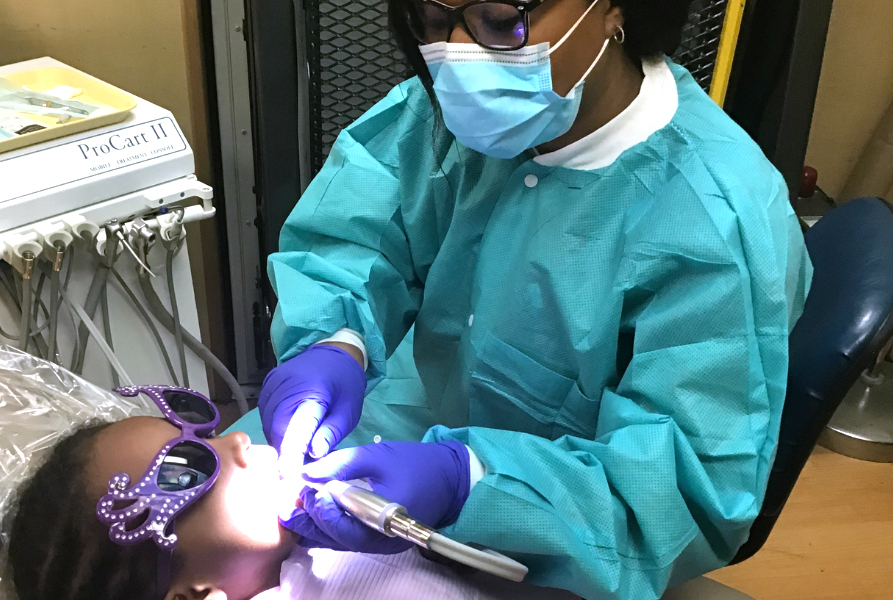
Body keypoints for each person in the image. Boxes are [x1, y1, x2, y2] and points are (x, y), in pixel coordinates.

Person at [254, 0, 814, 597]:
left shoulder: (714, 225)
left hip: (579, 529)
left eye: (498, 21)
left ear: (614, 10)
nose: (459, 56)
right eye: (433, 21)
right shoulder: (442, 120)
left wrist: (470, 481)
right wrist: (336, 342)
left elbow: (675, 493)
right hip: (422, 420)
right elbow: (356, 234)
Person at [3, 386, 575, 600]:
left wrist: (462, 492)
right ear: (192, 595)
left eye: (200, 429)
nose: (234, 441)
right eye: (185, 468)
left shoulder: (311, 541)